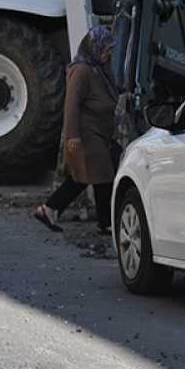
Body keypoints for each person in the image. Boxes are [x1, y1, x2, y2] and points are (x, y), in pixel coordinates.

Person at [34, 26, 119, 235]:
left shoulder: (97, 68)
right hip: (87, 132)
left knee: (91, 176)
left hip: (100, 133)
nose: (109, 53)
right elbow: (71, 104)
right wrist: (72, 136)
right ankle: (52, 209)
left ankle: (51, 209)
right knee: (96, 175)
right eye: (106, 48)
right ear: (95, 47)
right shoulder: (80, 70)